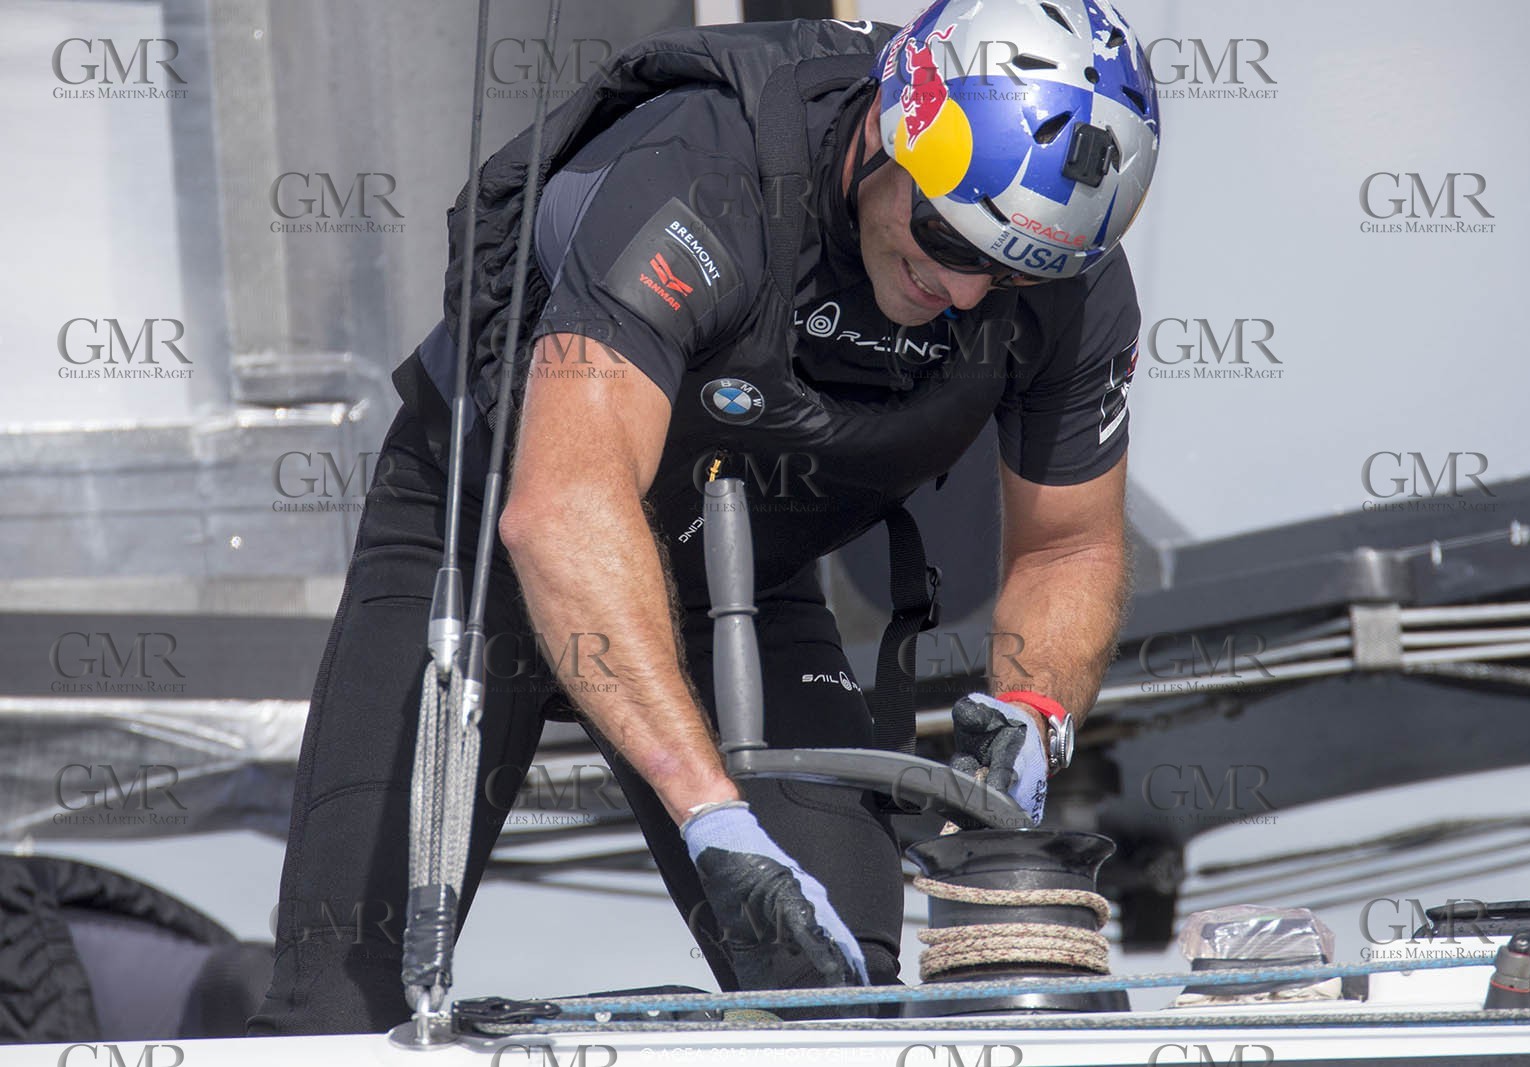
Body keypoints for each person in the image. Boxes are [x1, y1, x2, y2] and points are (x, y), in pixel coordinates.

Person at [250, 0, 1159, 1035]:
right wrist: (710, 811)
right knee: (339, 1003)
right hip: (480, 533)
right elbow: (561, 507)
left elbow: (1070, 540)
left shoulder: (1066, 284)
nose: (959, 288)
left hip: (738, 579)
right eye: (947, 233)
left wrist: (1040, 707)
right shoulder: (701, 178)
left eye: (1003, 271)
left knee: (837, 999)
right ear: (889, 129)